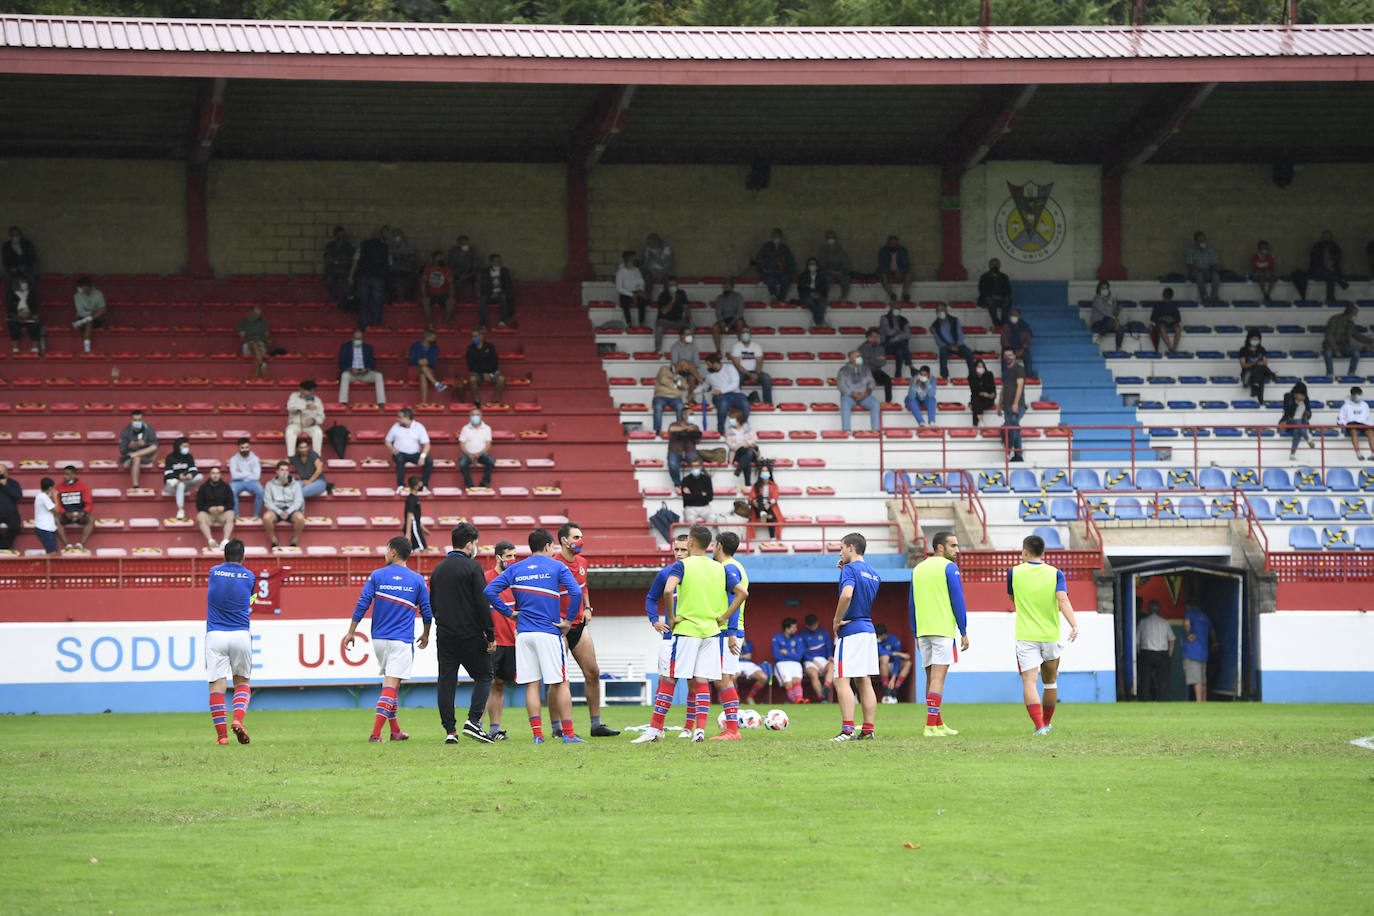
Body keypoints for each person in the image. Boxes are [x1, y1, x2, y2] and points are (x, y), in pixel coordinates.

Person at [630, 524, 740, 743]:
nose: (679, 553)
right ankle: (698, 730)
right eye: (676, 549)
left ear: (690, 545)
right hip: (709, 633)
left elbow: (668, 591)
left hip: (686, 631)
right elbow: (741, 593)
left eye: (683, 548)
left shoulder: (685, 568)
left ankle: (661, 729)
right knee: (698, 679)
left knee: (672, 679)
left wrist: (671, 618)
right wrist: (725, 619)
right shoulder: (719, 567)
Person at [484, 528, 585, 743]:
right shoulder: (558, 566)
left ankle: (537, 736)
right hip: (548, 632)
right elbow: (576, 592)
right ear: (548, 546)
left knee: (532, 684)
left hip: (523, 634)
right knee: (561, 683)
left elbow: (489, 591)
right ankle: (568, 734)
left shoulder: (515, 569)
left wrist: (509, 613)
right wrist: (567, 622)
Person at [346, 536, 433, 742]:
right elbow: (427, 612)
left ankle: (395, 731)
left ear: (393, 552)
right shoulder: (417, 579)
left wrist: (351, 632)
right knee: (391, 683)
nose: (384, 554)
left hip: (378, 640)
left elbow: (362, 604)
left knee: (394, 683)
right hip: (401, 640)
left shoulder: (377, 575)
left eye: (386, 550)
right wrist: (426, 634)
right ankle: (375, 733)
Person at [429, 521, 496, 744]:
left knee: (446, 681)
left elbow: (433, 604)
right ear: (469, 545)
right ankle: (474, 721)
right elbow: (481, 603)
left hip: (445, 634)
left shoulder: (438, 570)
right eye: (476, 544)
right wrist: (490, 635)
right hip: (469, 633)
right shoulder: (473, 568)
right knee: (485, 675)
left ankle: (450, 731)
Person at [1009, 534, 1080, 735]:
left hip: (1026, 635)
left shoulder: (1013, 572)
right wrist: (1074, 625)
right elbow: (1063, 600)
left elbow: (1012, 597)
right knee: (1050, 682)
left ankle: (1039, 726)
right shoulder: (1056, 573)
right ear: (1043, 553)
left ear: (1024, 552)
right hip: (1050, 634)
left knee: (1029, 681)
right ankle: (1047, 723)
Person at [554, 522, 620, 737]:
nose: (580, 541)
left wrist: (588, 607)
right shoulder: (554, 564)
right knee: (558, 678)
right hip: (560, 628)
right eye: (576, 537)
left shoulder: (583, 562)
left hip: (579, 627)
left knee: (593, 672)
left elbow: (584, 587)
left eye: (581, 536)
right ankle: (557, 728)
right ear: (564, 540)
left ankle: (596, 725)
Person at [909, 530, 970, 737]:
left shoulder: (917, 569)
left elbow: (912, 603)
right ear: (940, 548)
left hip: (924, 631)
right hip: (942, 630)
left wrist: (915, 631)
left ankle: (938, 723)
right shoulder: (949, 568)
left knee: (930, 679)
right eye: (953, 546)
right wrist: (963, 630)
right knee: (938, 679)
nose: (958, 550)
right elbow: (957, 600)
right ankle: (929, 726)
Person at [204, 538, 256, 745]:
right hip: (241, 634)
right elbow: (251, 598)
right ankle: (238, 720)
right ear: (243, 557)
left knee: (217, 685)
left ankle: (222, 737)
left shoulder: (213, 572)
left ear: (224, 555)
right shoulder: (249, 576)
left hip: (215, 634)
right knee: (242, 681)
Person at [831, 532, 881, 741]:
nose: (840, 551)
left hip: (851, 630)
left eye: (842, 547)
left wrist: (836, 620)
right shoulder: (873, 573)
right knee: (864, 680)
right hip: (868, 629)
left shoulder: (850, 569)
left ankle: (847, 730)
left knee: (841, 679)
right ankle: (868, 729)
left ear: (851, 547)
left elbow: (848, 594)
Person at [709, 530, 750, 740]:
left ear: (719, 545)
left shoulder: (728, 568)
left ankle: (733, 730)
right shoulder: (735, 566)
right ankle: (732, 728)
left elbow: (739, 596)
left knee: (724, 679)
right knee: (723, 679)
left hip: (729, 632)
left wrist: (731, 630)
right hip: (728, 631)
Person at [482, 539, 519, 740]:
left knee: (500, 684)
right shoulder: (486, 578)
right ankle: (476, 726)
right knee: (485, 683)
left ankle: (494, 729)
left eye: (514, 556)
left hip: (511, 642)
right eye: (508, 556)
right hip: (491, 641)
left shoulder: (516, 581)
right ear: (498, 558)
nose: (512, 560)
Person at [696, 351, 749, 436]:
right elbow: (704, 387)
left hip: (736, 394)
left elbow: (735, 384)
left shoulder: (729, 367)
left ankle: (741, 428)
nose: (708, 367)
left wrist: (721, 391)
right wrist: (693, 392)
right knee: (723, 404)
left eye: (709, 364)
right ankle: (720, 430)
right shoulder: (709, 376)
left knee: (745, 404)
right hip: (720, 397)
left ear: (715, 363)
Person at [348, 227, 390, 329]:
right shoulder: (384, 247)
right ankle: (376, 326)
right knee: (377, 303)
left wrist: (351, 276)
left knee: (363, 302)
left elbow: (355, 261)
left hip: (364, 276)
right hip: (378, 278)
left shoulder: (363, 245)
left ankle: (363, 324)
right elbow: (389, 263)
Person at [385, 407, 433, 495]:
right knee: (399, 459)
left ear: (407, 418)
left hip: (414, 454)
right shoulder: (395, 426)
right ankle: (400, 486)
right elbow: (387, 441)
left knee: (429, 461)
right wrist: (392, 449)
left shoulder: (419, 427)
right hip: (399, 453)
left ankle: (424, 486)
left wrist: (422, 457)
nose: (397, 419)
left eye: (400, 417)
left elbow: (427, 444)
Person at [1135, 599, 1175, 701]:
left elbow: (1137, 641)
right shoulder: (1165, 622)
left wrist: (1140, 653)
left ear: (1148, 610)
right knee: (1162, 681)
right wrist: (1169, 654)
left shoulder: (1143, 622)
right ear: (1160, 610)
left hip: (1146, 653)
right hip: (1162, 654)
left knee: (1145, 680)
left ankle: (1145, 700)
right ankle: (1162, 700)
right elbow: (1172, 639)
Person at [262, 460, 305, 549]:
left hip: (291, 509)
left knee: (300, 518)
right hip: (276, 510)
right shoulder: (269, 484)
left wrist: (288, 512)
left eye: (286, 470)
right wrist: (279, 511)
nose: (284, 472)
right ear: (277, 471)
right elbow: (268, 502)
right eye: (282, 470)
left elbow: (298, 501)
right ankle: (274, 540)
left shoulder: (296, 484)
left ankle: (294, 540)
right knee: (266, 517)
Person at [338, 329, 387, 406]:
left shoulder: (368, 348)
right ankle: (343, 402)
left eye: (359, 339)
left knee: (378, 375)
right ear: (352, 338)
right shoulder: (345, 347)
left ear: (363, 338)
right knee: (344, 375)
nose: (358, 340)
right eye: (356, 339)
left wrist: (366, 369)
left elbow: (372, 364)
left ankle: (381, 402)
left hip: (365, 374)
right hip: (351, 374)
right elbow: (341, 364)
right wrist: (350, 369)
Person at [1322, 303, 1372, 379]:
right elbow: (1329, 336)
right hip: (1331, 346)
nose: (1355, 316)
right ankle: (1330, 374)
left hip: (1343, 346)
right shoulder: (1334, 320)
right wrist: (1335, 349)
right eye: (1354, 314)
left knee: (1356, 353)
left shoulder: (1351, 323)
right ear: (1349, 313)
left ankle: (1351, 373)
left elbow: (1357, 336)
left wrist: (1371, 341)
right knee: (1328, 353)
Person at [837, 350, 880, 434]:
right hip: (849, 396)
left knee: (875, 403)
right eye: (857, 356)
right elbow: (841, 385)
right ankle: (846, 430)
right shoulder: (843, 370)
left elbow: (872, 382)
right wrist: (853, 394)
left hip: (864, 396)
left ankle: (875, 429)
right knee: (844, 403)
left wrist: (867, 393)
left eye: (860, 356)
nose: (860, 358)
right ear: (851, 359)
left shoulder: (866, 369)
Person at [194, 466, 237, 550]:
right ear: (210, 475)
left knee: (231, 515)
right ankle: (211, 540)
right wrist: (208, 509)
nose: (215, 475)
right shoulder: (203, 488)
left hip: (222, 513)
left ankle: (225, 541)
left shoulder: (226, 487)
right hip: (209, 514)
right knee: (200, 516)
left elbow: (231, 503)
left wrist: (224, 508)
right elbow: (199, 505)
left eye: (217, 473)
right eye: (213, 473)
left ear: (220, 475)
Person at [729, 325, 773, 405]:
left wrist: (756, 373)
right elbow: (737, 365)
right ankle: (735, 403)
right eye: (743, 332)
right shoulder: (736, 346)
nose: (745, 334)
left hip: (755, 371)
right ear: (740, 334)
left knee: (767, 378)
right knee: (735, 380)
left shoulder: (756, 346)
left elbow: (760, 361)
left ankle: (768, 403)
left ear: (750, 334)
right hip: (741, 372)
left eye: (747, 332)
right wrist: (750, 375)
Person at [54, 464, 95, 551]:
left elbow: (89, 504)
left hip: (80, 514)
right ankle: (67, 545)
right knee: (55, 519)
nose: (64, 476)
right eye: (64, 474)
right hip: (66, 515)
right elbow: (57, 505)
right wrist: (64, 513)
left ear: (73, 475)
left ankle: (81, 544)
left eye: (67, 474)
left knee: (91, 518)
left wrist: (83, 512)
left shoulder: (83, 486)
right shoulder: (58, 487)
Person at [929, 303, 975, 381]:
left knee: (969, 353)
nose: (941, 312)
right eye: (938, 311)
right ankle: (944, 376)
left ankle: (973, 376)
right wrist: (949, 347)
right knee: (942, 352)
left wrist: (957, 345)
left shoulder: (955, 320)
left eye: (942, 310)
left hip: (958, 345)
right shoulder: (934, 326)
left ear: (946, 310)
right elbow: (938, 341)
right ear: (936, 313)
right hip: (946, 347)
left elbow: (960, 334)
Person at [163, 437, 203, 521]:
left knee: (200, 476)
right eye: (184, 446)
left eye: (187, 446)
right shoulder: (169, 458)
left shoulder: (189, 456)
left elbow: (194, 470)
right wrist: (178, 477)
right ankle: (180, 509)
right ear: (178, 446)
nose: (186, 448)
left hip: (185, 481)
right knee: (180, 484)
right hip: (172, 484)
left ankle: (183, 483)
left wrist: (190, 475)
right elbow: (167, 475)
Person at [118, 409, 159, 490]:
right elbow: (122, 451)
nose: (137, 422)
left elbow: (155, 445)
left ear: (143, 420)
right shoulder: (126, 431)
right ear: (131, 420)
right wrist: (129, 446)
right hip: (133, 456)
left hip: (147, 455)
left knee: (153, 447)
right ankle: (136, 486)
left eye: (139, 420)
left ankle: (132, 455)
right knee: (137, 458)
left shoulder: (149, 429)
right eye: (135, 420)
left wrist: (146, 444)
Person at [999, 346, 1027, 463]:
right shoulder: (1005, 371)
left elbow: (1020, 386)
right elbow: (1003, 389)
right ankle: (1018, 456)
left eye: (1010, 355)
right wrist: (999, 404)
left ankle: (1008, 450)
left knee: (1010, 426)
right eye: (1006, 355)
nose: (1008, 357)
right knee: (1014, 428)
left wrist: (1015, 403)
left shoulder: (1019, 369)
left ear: (1015, 356)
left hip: (1017, 405)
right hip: (1006, 406)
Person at [283, 379, 325, 458]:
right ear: (302, 390)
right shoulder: (294, 396)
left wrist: (314, 421)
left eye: (312, 390)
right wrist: (305, 407)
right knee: (289, 432)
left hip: (311, 426)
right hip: (295, 424)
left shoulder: (317, 400)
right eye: (309, 391)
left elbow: (321, 416)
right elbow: (290, 407)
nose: (311, 392)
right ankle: (291, 457)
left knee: (318, 432)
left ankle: (316, 458)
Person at [753, 229, 796, 304]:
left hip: (782, 271)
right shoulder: (766, 247)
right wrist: (764, 269)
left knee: (786, 277)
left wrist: (792, 273)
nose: (776, 238)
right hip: (769, 271)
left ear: (781, 237)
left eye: (778, 236)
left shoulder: (785, 249)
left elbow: (791, 262)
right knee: (770, 278)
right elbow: (759, 259)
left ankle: (781, 299)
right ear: (772, 237)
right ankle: (773, 296)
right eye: (775, 236)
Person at [1182, 604, 1215, 703]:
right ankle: (1204, 702)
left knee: (1197, 681)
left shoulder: (1190, 614)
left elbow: (1187, 624)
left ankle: (1199, 702)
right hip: (1203, 652)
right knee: (1203, 681)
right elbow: (1212, 631)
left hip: (1192, 652)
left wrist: (1188, 634)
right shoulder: (1205, 616)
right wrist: (1214, 642)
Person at [466, 327, 506, 404]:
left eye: (475, 336)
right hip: (477, 373)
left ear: (481, 336)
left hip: (491, 372)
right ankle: (477, 400)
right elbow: (471, 365)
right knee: (472, 379)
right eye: (472, 336)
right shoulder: (470, 349)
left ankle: (495, 400)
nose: (473, 338)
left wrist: (489, 373)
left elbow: (495, 362)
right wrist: (482, 374)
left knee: (501, 379)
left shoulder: (490, 346)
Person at [800, 613, 834, 703]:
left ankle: (826, 685)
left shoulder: (824, 633)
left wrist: (830, 657)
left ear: (817, 623)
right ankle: (822, 697)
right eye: (810, 626)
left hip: (823, 659)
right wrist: (816, 663)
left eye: (814, 625)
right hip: (810, 661)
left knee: (832, 666)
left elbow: (829, 649)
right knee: (813, 674)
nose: (813, 627)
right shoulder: (802, 635)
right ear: (806, 625)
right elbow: (803, 652)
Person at [652, 354, 689, 435]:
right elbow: (663, 380)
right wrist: (676, 385)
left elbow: (686, 386)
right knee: (658, 407)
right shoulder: (664, 369)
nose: (686, 370)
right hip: (661, 396)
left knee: (681, 407)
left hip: (675, 398)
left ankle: (681, 429)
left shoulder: (682, 376)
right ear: (680, 366)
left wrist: (675, 383)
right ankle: (657, 430)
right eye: (685, 368)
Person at [771, 617, 806, 703]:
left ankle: (799, 699)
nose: (795, 629)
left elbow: (799, 656)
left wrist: (786, 652)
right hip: (781, 664)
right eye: (793, 627)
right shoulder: (776, 638)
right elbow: (777, 656)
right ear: (786, 629)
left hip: (795, 663)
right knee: (788, 683)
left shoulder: (798, 638)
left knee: (797, 680)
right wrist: (792, 653)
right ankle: (797, 701)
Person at [459, 406, 495, 489]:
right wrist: (469, 454)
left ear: (481, 416)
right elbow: (462, 444)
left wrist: (480, 453)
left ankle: (484, 483)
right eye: (473, 415)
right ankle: (469, 485)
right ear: (470, 416)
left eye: (477, 415)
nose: (475, 417)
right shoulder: (465, 428)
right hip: (468, 454)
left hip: (482, 454)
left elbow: (488, 444)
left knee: (491, 461)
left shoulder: (487, 428)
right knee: (462, 463)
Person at [5, 273, 41, 354]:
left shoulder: (31, 294)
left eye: (24, 283)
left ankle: (35, 348)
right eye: (20, 283)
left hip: (29, 316)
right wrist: (18, 314)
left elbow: (34, 307)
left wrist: (29, 314)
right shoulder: (11, 295)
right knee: (12, 324)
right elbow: (10, 308)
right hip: (16, 316)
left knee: (35, 324)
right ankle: (15, 349)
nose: (22, 284)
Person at [653, 276, 691, 353]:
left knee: (691, 327)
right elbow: (664, 312)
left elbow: (686, 307)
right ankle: (657, 350)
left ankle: (688, 348)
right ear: (667, 286)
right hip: (665, 321)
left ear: (677, 285)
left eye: (675, 285)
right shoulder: (662, 295)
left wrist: (689, 318)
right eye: (671, 285)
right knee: (659, 328)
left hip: (678, 321)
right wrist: (673, 300)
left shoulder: (681, 293)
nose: (673, 287)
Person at [875, 623, 912, 702]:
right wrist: (898, 653)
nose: (877, 638)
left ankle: (895, 689)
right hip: (879, 667)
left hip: (894, 667)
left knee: (908, 663)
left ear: (884, 634)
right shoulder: (875, 641)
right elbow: (881, 652)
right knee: (885, 657)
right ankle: (886, 689)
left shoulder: (894, 640)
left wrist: (893, 678)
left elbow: (897, 660)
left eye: (878, 636)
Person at [228, 437, 264, 519]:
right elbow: (234, 475)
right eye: (242, 448)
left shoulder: (255, 459)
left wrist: (240, 472)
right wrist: (249, 473)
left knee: (261, 491)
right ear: (238, 448)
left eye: (247, 447)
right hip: (237, 482)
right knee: (231, 492)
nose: (245, 449)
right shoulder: (233, 459)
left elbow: (256, 476)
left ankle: (256, 515)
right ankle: (236, 516)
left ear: (250, 447)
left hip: (252, 482)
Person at [1308, 229, 1348, 302]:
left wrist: (1331, 264)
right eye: (1325, 237)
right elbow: (1314, 259)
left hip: (1332, 269)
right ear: (1322, 237)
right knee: (1330, 274)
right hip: (1318, 270)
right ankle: (1331, 297)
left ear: (1331, 237)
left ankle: (1330, 297)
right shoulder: (1317, 246)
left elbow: (1338, 258)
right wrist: (1325, 265)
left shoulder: (1335, 246)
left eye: (1328, 237)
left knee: (1330, 275)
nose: (1327, 238)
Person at [408, 328, 446, 403]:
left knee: (423, 374)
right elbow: (411, 360)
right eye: (433, 338)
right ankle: (436, 384)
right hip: (415, 370)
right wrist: (418, 361)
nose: (435, 340)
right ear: (427, 337)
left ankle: (424, 403)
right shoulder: (415, 346)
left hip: (429, 371)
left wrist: (427, 361)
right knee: (422, 368)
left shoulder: (435, 348)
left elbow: (434, 361)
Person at [724, 407, 760, 487]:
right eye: (730, 418)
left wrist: (745, 444)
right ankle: (748, 484)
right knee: (747, 459)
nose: (731, 420)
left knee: (749, 453)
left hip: (749, 449)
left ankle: (739, 469)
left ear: (738, 419)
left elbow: (754, 439)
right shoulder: (728, 431)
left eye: (732, 418)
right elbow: (729, 443)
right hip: (737, 452)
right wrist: (737, 447)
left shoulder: (748, 427)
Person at [419, 250, 454, 328]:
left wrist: (451, 297)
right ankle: (430, 323)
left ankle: (445, 323)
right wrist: (424, 295)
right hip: (431, 294)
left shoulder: (447, 269)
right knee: (425, 301)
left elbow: (451, 284)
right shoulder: (428, 268)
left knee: (451, 302)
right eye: (439, 258)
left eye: (442, 258)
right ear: (434, 259)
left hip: (443, 295)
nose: (441, 260)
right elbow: (423, 282)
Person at [72, 277, 107, 354]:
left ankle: (84, 321)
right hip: (83, 317)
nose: (82, 290)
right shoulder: (77, 296)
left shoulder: (98, 293)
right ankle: (87, 350)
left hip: (97, 318)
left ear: (89, 287)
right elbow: (81, 312)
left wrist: (93, 315)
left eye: (84, 288)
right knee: (89, 322)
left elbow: (102, 309)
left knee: (102, 310)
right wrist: (92, 314)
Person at [478, 253, 514, 329]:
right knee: (482, 300)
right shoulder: (485, 272)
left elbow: (508, 285)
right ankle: (483, 324)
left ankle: (502, 322)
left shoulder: (504, 271)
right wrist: (490, 293)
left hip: (501, 294)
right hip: (488, 294)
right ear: (491, 262)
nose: (498, 263)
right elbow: (482, 285)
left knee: (503, 298)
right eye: (496, 261)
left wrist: (498, 293)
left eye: (499, 261)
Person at [1337, 386, 1374, 460]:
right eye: (1358, 395)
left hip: (1363, 424)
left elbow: (1368, 418)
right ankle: (1358, 453)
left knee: (1370, 432)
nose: (1360, 397)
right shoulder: (1346, 406)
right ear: (1352, 395)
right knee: (1354, 432)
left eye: (1360, 395)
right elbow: (1341, 418)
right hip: (1351, 423)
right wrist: (1342, 424)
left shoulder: (1365, 405)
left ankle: (1373, 453)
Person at [1280, 382, 1315, 458]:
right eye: (1301, 394)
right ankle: (1308, 439)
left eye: (1304, 394)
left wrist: (1306, 416)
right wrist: (1296, 403)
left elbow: (1309, 413)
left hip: (1301, 423)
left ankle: (1292, 454)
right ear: (1296, 393)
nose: (1303, 396)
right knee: (1297, 423)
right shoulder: (1287, 397)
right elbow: (1288, 412)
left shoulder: (1306, 399)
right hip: (1288, 422)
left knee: (1297, 429)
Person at [859, 328, 894, 403]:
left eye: (876, 337)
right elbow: (864, 363)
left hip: (877, 371)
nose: (875, 339)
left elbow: (883, 362)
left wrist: (871, 359)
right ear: (868, 337)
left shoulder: (880, 347)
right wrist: (877, 359)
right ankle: (864, 401)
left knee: (888, 380)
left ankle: (888, 402)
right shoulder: (861, 348)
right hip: (866, 372)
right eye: (873, 337)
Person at [878, 303, 913, 379]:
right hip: (885, 345)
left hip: (897, 345)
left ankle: (898, 375)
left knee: (899, 352)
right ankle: (910, 365)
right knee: (903, 343)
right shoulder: (884, 318)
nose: (897, 309)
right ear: (890, 308)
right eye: (895, 307)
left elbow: (908, 335)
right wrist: (900, 333)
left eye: (899, 308)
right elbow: (888, 332)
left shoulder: (904, 320)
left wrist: (896, 338)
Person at [237, 302, 272, 377]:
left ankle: (256, 377)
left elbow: (266, 337)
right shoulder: (244, 322)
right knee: (254, 344)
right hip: (248, 346)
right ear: (251, 312)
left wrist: (264, 342)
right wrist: (254, 341)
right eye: (256, 314)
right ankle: (262, 364)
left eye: (259, 314)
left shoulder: (263, 322)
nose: (258, 316)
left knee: (257, 353)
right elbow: (242, 338)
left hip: (261, 346)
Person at [615, 249, 649, 328]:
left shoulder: (636, 270)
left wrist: (640, 290)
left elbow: (641, 282)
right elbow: (619, 288)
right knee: (625, 303)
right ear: (628, 260)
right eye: (632, 259)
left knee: (642, 301)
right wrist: (632, 295)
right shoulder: (620, 272)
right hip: (626, 294)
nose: (633, 261)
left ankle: (641, 323)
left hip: (637, 292)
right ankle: (629, 323)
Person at [1239, 329, 1275, 400]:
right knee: (1258, 368)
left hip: (1259, 372)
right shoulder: (1243, 350)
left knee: (1259, 369)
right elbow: (1243, 365)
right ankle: (1269, 375)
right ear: (1249, 339)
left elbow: (1264, 362)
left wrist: (1257, 364)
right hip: (1247, 373)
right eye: (1253, 339)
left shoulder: (1262, 349)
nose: (1255, 341)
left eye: (1257, 339)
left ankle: (1255, 386)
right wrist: (1255, 363)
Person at [711, 278, 746, 353]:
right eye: (724, 287)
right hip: (724, 320)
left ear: (732, 288)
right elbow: (718, 312)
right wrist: (722, 322)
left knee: (740, 324)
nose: (725, 289)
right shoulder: (720, 298)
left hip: (736, 319)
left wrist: (730, 324)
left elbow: (740, 313)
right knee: (715, 327)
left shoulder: (738, 296)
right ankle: (718, 350)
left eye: (727, 287)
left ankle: (741, 348)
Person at [666, 416, 701, 490]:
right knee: (672, 464)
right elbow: (671, 429)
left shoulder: (694, 427)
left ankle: (695, 485)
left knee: (697, 464)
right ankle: (678, 485)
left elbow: (698, 441)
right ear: (684, 416)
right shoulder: (674, 424)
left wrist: (693, 433)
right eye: (691, 414)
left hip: (690, 451)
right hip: (675, 451)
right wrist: (686, 428)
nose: (693, 416)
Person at [1186, 230, 1221, 303]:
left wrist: (1210, 271)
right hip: (1196, 272)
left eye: (1204, 239)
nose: (1202, 242)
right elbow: (1190, 265)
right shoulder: (1191, 249)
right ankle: (1204, 297)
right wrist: (1202, 271)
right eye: (1200, 240)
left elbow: (1214, 263)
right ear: (1196, 241)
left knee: (1216, 276)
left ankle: (1214, 297)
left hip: (1208, 271)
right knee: (1199, 275)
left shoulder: (1210, 248)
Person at [816, 229, 851, 303]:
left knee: (846, 278)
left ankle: (843, 298)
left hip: (839, 270)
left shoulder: (840, 249)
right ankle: (824, 298)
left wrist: (841, 271)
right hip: (827, 271)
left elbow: (845, 263)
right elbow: (821, 264)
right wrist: (831, 271)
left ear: (835, 238)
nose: (830, 239)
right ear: (826, 239)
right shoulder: (823, 250)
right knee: (826, 279)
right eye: (829, 238)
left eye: (832, 238)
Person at [323, 225, 353, 306]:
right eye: (339, 234)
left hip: (344, 268)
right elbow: (326, 257)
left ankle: (345, 300)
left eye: (342, 235)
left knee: (348, 281)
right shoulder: (330, 245)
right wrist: (335, 260)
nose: (340, 236)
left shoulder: (348, 245)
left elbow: (352, 259)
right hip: (332, 269)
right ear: (335, 235)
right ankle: (334, 297)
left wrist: (344, 259)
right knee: (329, 280)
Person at [749, 462, 782, 539]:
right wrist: (753, 502)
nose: (765, 472)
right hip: (758, 507)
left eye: (766, 471)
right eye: (763, 471)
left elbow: (775, 498)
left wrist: (769, 503)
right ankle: (762, 513)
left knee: (771, 518)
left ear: (769, 472)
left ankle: (772, 538)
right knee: (759, 497)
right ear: (760, 473)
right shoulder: (755, 486)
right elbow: (750, 498)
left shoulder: (774, 485)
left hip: (768, 507)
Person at [876, 235, 912, 304]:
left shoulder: (903, 250)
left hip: (899, 271)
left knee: (909, 274)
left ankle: (905, 294)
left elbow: (906, 264)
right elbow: (881, 265)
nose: (893, 245)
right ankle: (892, 295)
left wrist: (900, 271)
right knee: (883, 276)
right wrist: (892, 272)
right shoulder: (883, 251)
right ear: (888, 244)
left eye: (895, 244)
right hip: (887, 272)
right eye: (891, 244)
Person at [1090, 280, 1124, 350]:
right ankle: (1100, 338)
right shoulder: (1097, 299)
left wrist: (1117, 308)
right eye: (1102, 288)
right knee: (1110, 321)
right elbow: (1105, 313)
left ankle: (1118, 348)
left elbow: (1115, 314)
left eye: (1106, 288)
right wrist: (1115, 321)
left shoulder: (1110, 300)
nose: (1105, 290)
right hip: (1099, 323)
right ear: (1099, 289)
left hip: (1110, 323)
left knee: (1120, 328)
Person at [387, 227, 418, 304]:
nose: (396, 238)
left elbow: (412, 261)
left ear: (402, 237)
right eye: (394, 236)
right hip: (393, 270)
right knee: (388, 279)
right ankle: (393, 300)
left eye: (397, 235)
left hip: (406, 270)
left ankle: (408, 300)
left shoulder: (409, 247)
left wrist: (399, 259)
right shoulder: (388, 247)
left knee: (410, 279)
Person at [978, 257, 1012, 327]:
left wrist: (1001, 296)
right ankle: (996, 322)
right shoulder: (984, 277)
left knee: (1007, 300)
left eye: (997, 264)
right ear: (989, 266)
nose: (995, 266)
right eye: (993, 264)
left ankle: (1004, 322)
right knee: (990, 301)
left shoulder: (1004, 277)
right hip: (988, 298)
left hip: (1000, 298)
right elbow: (982, 290)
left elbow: (1008, 290)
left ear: (999, 265)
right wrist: (992, 296)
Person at [796, 257, 830, 327]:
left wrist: (818, 294)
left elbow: (824, 288)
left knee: (823, 303)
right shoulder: (803, 275)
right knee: (810, 302)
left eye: (814, 264)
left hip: (819, 295)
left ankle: (816, 322)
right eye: (810, 264)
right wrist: (810, 293)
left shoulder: (822, 276)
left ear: (817, 265)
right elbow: (801, 288)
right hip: (807, 296)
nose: (812, 265)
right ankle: (820, 321)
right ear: (808, 266)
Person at [446, 234, 479, 303]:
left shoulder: (473, 252)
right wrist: (458, 275)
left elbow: (475, 267)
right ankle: (452, 299)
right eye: (462, 243)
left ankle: (477, 299)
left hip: (470, 274)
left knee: (477, 278)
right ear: (458, 244)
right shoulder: (453, 252)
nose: (464, 245)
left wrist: (467, 275)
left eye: (466, 243)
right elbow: (450, 267)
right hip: (456, 275)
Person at [641, 233, 674, 303]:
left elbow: (666, 264)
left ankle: (666, 299)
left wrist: (654, 257)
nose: (649, 245)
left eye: (650, 243)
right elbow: (644, 261)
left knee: (668, 280)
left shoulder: (666, 248)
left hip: (663, 271)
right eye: (648, 243)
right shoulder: (648, 248)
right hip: (651, 271)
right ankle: (648, 299)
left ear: (656, 242)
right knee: (646, 277)